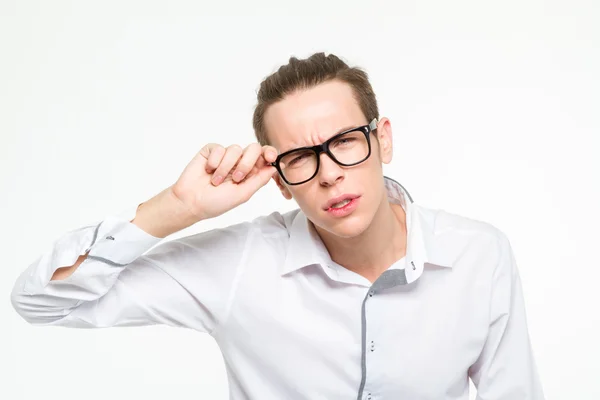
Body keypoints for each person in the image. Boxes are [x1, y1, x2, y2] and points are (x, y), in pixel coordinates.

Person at [11, 52, 544, 399]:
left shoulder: (479, 255)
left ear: (382, 139)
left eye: (344, 142)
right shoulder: (241, 263)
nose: (330, 174)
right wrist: (178, 207)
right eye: (300, 157)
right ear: (281, 180)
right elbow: (43, 301)